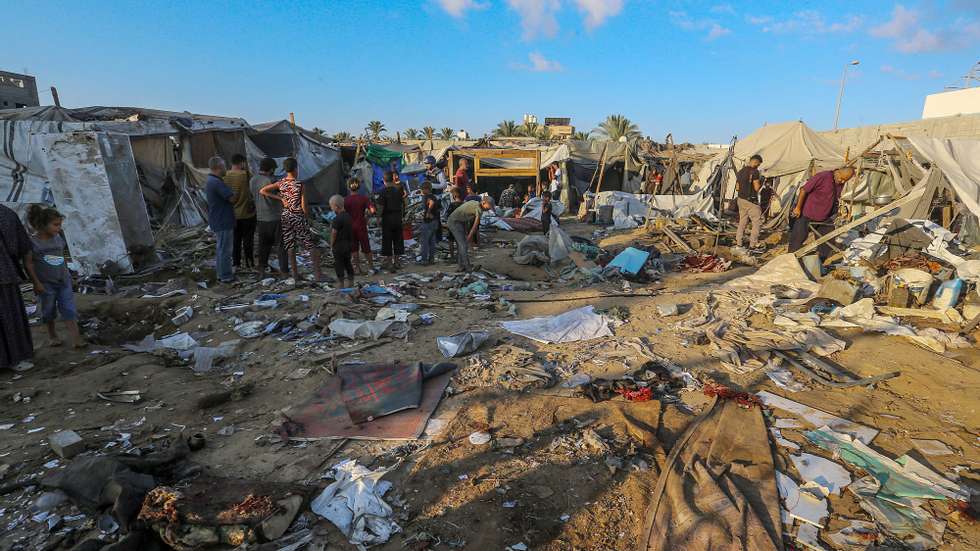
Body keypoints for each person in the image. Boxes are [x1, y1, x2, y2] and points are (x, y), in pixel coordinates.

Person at [25, 205, 83, 348]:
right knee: (48, 311)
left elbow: (61, 257)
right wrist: (36, 283)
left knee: (69, 309)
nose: (59, 228)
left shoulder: (58, 238)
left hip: (63, 281)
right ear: (43, 225)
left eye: (60, 225)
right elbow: (28, 264)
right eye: (55, 225)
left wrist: (69, 274)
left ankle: (77, 339)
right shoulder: (32, 243)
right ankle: (52, 335)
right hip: (46, 284)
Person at [259, 157, 324, 282]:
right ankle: (318, 275)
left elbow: (263, 190)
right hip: (297, 215)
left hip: (286, 216)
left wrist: (281, 199)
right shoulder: (300, 185)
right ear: (296, 169)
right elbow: (304, 206)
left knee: (290, 246)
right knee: (310, 246)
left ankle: (294, 275)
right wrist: (307, 219)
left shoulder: (281, 183)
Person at [788, 167, 856, 260]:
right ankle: (791, 260)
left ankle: (821, 262)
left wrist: (835, 213)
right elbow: (803, 190)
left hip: (824, 217)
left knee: (827, 242)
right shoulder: (822, 176)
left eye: (845, 180)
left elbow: (834, 197)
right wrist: (798, 208)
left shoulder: (839, 182)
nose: (842, 181)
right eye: (842, 178)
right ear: (838, 172)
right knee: (797, 240)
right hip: (807, 214)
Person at [0, 204, 35, 370]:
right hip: (5, 274)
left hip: (5, 274)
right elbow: (22, 246)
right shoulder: (6, 214)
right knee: (10, 317)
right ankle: (16, 358)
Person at [250, 157, 288, 278]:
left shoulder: (252, 180)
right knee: (281, 246)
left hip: (261, 218)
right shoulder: (271, 181)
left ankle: (262, 270)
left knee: (263, 246)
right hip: (275, 217)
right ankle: (284, 271)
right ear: (271, 169)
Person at [205, 156, 236, 283]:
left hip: (218, 219)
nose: (226, 169)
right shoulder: (217, 182)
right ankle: (226, 276)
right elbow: (232, 198)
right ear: (218, 167)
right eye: (224, 166)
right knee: (225, 249)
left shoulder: (211, 180)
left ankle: (221, 274)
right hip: (222, 219)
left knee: (221, 248)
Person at [447, 196, 494, 272]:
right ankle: (467, 267)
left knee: (461, 245)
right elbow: (475, 226)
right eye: (489, 207)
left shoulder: (475, 203)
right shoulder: (478, 209)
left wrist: (466, 233)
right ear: (484, 203)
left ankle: (461, 266)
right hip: (454, 222)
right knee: (463, 245)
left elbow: (465, 214)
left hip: (458, 221)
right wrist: (469, 237)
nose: (489, 209)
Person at [226, 154, 256, 269]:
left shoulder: (225, 176)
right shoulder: (246, 175)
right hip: (247, 214)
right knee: (248, 240)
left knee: (235, 240)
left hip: (232, 214)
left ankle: (236, 263)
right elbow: (253, 190)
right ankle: (249, 263)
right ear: (242, 163)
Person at [344, 178, 375, 275]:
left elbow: (341, 213)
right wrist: (367, 216)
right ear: (359, 187)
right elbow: (373, 210)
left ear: (348, 187)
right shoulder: (364, 198)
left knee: (354, 248)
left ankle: (357, 268)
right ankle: (371, 267)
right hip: (361, 225)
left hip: (350, 227)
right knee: (366, 247)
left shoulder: (345, 200)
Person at [376, 170, 404, 272]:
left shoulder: (383, 191)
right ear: (393, 179)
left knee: (387, 240)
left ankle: (389, 264)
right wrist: (402, 216)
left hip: (387, 218)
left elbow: (380, 207)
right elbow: (402, 204)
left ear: (384, 180)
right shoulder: (398, 190)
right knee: (398, 239)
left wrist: (378, 218)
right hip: (397, 217)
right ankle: (397, 262)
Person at [735, 154, 764, 252]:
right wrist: (762, 183)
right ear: (755, 162)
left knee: (742, 222)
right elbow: (756, 187)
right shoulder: (754, 172)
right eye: (758, 164)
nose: (758, 166)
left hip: (740, 199)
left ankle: (739, 243)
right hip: (751, 201)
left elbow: (737, 187)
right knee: (757, 222)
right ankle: (753, 245)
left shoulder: (740, 171)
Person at [329, 195, 355, 288]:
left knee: (339, 264)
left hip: (338, 246)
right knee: (348, 263)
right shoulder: (348, 216)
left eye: (331, 206)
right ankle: (351, 282)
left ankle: (341, 284)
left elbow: (334, 233)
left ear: (336, 206)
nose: (331, 208)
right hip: (348, 244)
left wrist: (331, 244)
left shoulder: (336, 219)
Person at [419, 181, 440, 265]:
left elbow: (431, 203)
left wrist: (428, 212)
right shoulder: (434, 196)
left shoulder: (426, 197)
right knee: (432, 241)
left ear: (426, 189)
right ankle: (432, 259)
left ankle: (424, 260)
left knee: (424, 242)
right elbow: (438, 208)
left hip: (428, 222)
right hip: (435, 221)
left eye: (422, 189)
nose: (421, 191)